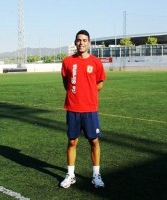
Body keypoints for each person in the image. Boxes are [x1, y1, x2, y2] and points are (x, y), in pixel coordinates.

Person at [60, 30, 106, 188]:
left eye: (84, 40)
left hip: (90, 109)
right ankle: (70, 175)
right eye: (79, 40)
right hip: (73, 108)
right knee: (72, 141)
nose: (81, 43)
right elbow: (66, 83)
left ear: (89, 43)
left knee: (94, 141)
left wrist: (89, 92)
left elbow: (100, 84)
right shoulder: (67, 62)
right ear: (75, 42)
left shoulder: (96, 62)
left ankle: (96, 175)